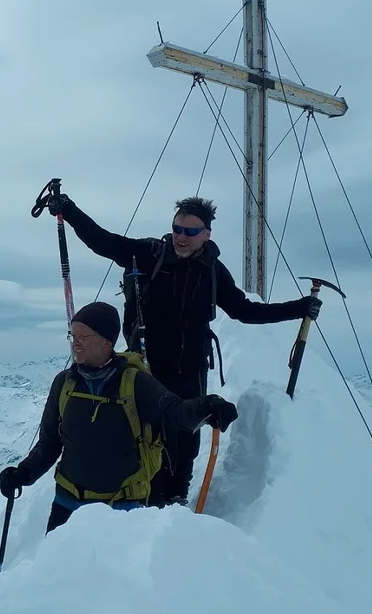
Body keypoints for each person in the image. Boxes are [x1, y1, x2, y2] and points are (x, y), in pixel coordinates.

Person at [46, 192, 321, 507]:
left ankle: (176, 502)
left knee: (186, 439)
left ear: (206, 234)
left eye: (191, 231)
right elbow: (104, 242)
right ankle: (147, 501)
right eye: (177, 229)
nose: (181, 237)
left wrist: (299, 307)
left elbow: (245, 311)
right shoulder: (149, 255)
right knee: (148, 438)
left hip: (190, 368)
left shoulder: (212, 271)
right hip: (146, 370)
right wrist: (69, 211)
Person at [0, 301, 239, 533]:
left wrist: (207, 407)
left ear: (105, 342)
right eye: (73, 337)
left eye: (83, 337)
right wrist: (23, 474)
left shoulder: (135, 383)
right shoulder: (64, 384)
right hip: (68, 505)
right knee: (57, 575)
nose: (75, 344)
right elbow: (50, 443)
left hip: (124, 508)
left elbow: (173, 412)